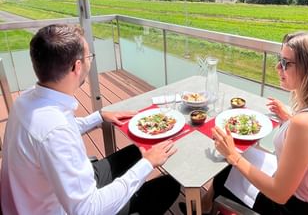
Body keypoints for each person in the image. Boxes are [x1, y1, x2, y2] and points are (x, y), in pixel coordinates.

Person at [1, 24, 180, 214]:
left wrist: (99, 116)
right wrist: (147, 165)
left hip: (45, 193)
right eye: (89, 57)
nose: (90, 61)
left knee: (135, 152)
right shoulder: (55, 131)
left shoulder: (28, 100)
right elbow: (88, 209)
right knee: (168, 187)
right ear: (77, 66)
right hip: (64, 209)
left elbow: (55, 133)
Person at [201, 31, 308, 215]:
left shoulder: (304, 124)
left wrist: (233, 155)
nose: (277, 68)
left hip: (289, 208)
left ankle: (203, 207)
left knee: (225, 170)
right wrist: (289, 119)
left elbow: (279, 194)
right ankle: (205, 205)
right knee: (235, 165)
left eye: (285, 63)